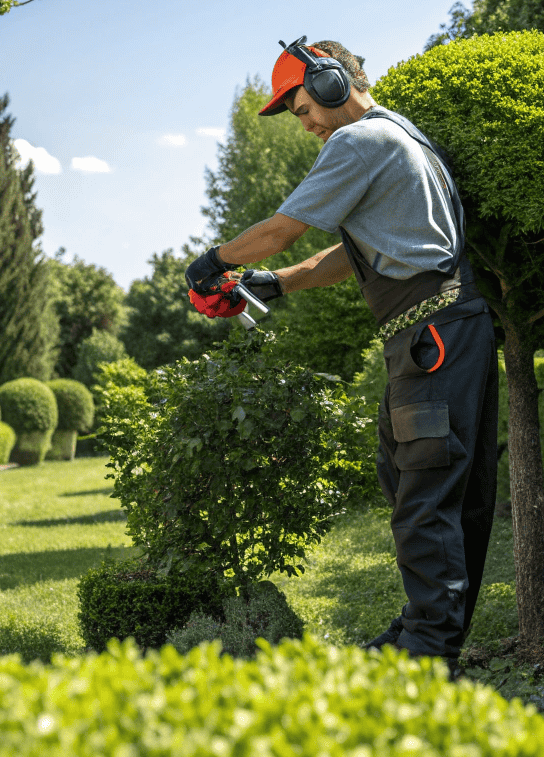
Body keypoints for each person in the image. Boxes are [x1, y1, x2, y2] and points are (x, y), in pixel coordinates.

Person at [185, 37, 499, 677]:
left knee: (424, 492)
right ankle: (428, 631)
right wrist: (276, 282)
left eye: (302, 109)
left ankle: (427, 657)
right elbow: (353, 252)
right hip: (447, 327)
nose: (304, 125)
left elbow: (281, 229)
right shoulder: (398, 138)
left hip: (430, 335)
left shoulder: (357, 142)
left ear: (331, 84)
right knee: (428, 482)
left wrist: (212, 263)